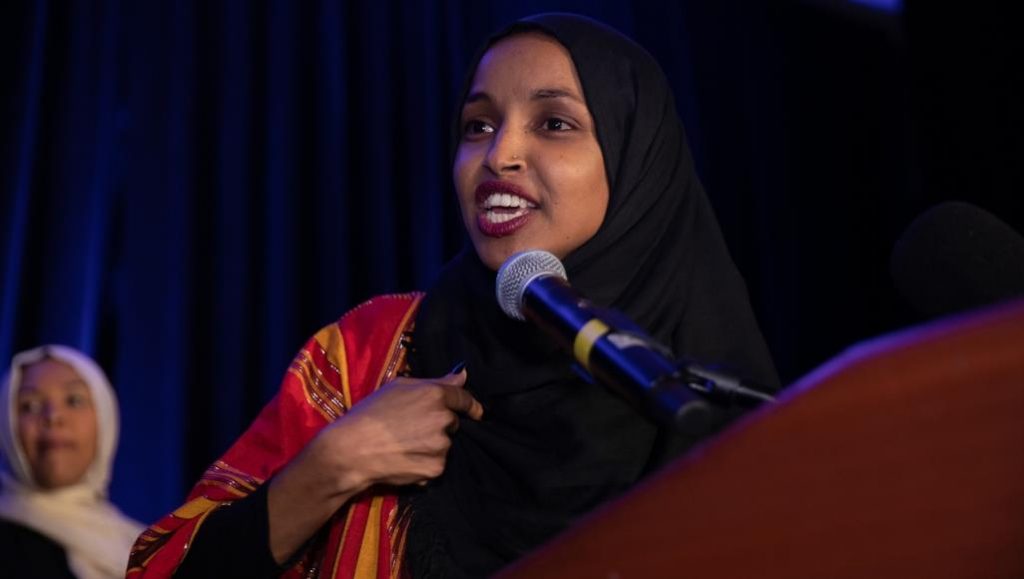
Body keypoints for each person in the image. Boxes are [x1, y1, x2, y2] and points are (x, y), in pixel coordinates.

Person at [128, 13, 778, 578]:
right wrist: (330, 468)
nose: (500, 154)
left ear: (638, 162)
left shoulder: (702, 386)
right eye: (477, 125)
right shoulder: (370, 356)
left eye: (553, 123)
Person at [0, 345, 144, 579]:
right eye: (30, 406)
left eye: (74, 401)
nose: (53, 416)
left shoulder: (141, 547)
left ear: (105, 419)